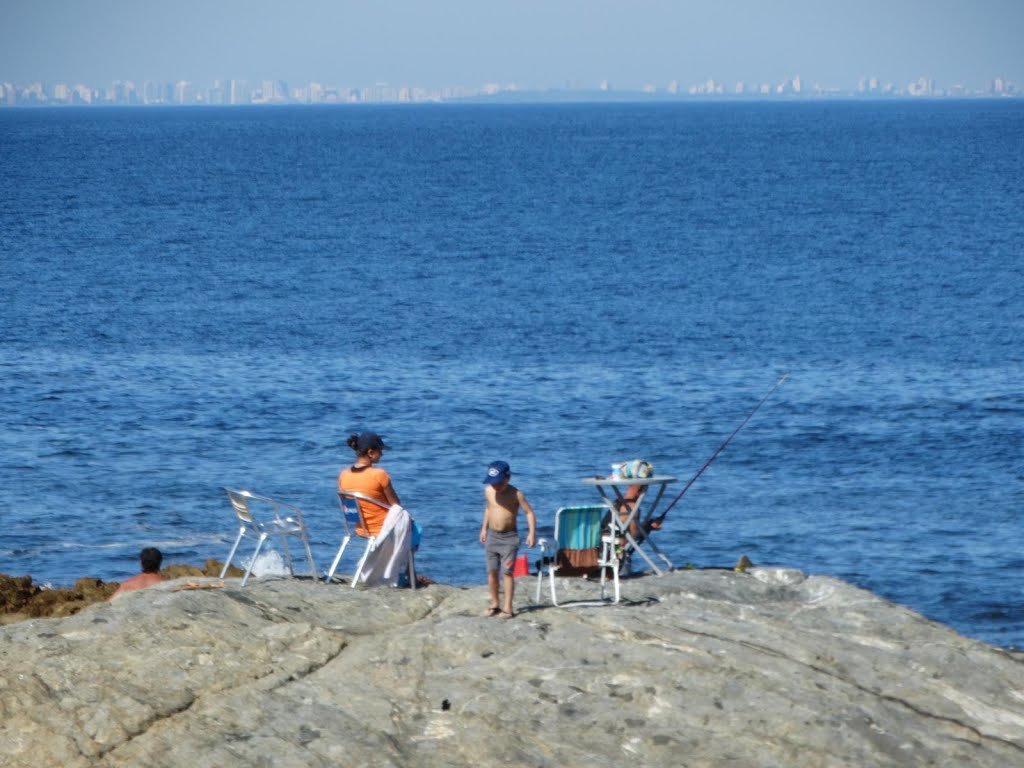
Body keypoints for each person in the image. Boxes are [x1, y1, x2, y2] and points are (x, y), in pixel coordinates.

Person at [479, 460, 536, 619]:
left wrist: (531, 533)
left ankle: (507, 607)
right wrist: (483, 529)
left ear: (507, 478)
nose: (495, 486)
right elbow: (488, 509)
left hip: (509, 538)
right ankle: (494, 603)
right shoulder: (488, 491)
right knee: (491, 571)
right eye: (492, 483)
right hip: (492, 536)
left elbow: (529, 513)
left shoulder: (516, 494)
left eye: (498, 483)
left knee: (507, 573)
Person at [338, 431, 400, 538]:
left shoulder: (343, 475)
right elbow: (396, 506)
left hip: (361, 529)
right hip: (383, 528)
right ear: (370, 453)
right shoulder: (379, 474)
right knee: (413, 527)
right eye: (380, 451)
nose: (382, 454)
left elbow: (347, 505)